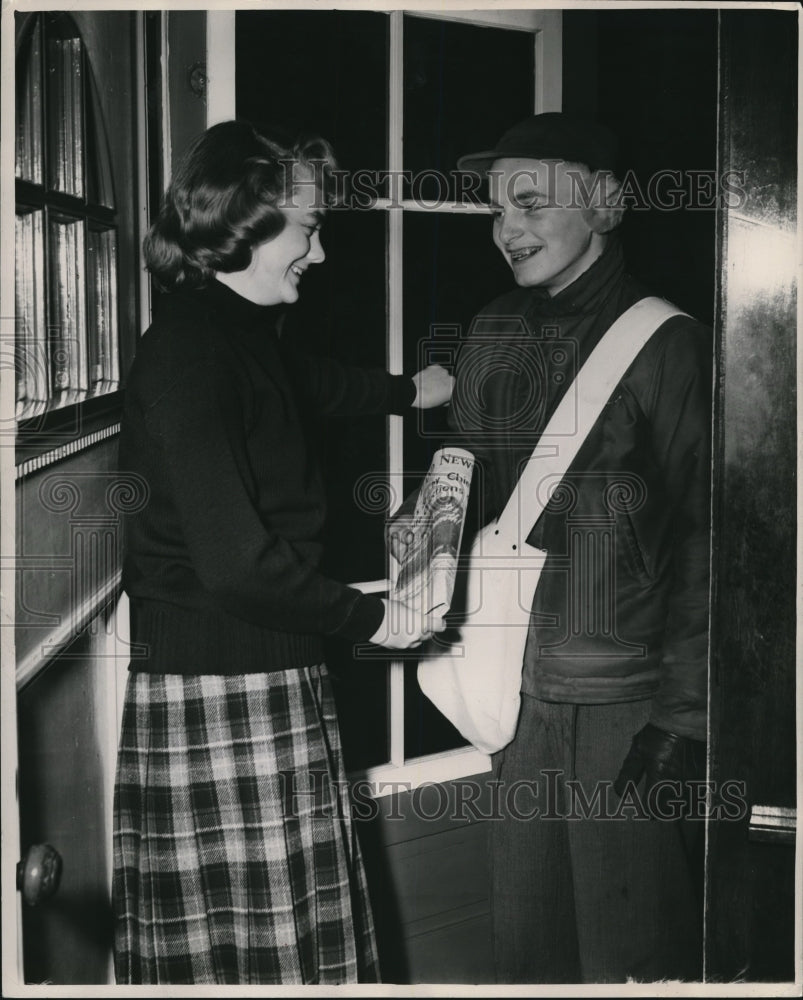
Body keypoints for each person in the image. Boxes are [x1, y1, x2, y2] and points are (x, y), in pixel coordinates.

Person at [113, 119, 450, 985]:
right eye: (308, 228)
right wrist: (377, 617)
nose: (321, 253)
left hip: (257, 676)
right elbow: (239, 568)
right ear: (245, 220)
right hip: (224, 691)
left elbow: (312, 385)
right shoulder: (191, 352)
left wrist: (411, 390)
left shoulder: (236, 335)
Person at [391, 113, 711, 983]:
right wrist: (420, 539)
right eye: (496, 210)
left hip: (625, 703)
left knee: (633, 953)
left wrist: (682, 721)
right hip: (514, 689)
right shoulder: (491, 328)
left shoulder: (670, 346)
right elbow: (460, 486)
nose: (506, 230)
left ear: (604, 204)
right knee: (530, 952)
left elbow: (706, 545)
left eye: (529, 204)